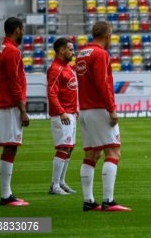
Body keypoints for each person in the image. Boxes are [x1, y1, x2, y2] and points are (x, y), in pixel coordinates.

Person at [75, 21, 130, 212]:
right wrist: (111, 108)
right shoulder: (100, 54)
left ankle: (89, 201)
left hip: (85, 109)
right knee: (113, 152)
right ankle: (108, 200)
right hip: (99, 109)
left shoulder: (82, 53)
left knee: (92, 154)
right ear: (107, 35)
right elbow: (102, 83)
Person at [0, 17, 30, 206]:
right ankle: (6, 195)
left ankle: (7, 194)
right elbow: (14, 83)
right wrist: (22, 109)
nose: (23, 33)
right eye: (22, 29)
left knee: (11, 145)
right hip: (10, 105)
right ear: (17, 30)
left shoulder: (4, 48)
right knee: (10, 146)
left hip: (7, 103)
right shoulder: (12, 51)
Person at [46, 37, 79, 195]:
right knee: (63, 147)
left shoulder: (68, 67)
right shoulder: (55, 69)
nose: (73, 52)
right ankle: (54, 185)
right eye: (70, 49)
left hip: (70, 113)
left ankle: (61, 182)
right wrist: (61, 112)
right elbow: (52, 93)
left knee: (69, 148)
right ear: (61, 50)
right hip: (62, 115)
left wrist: (75, 109)